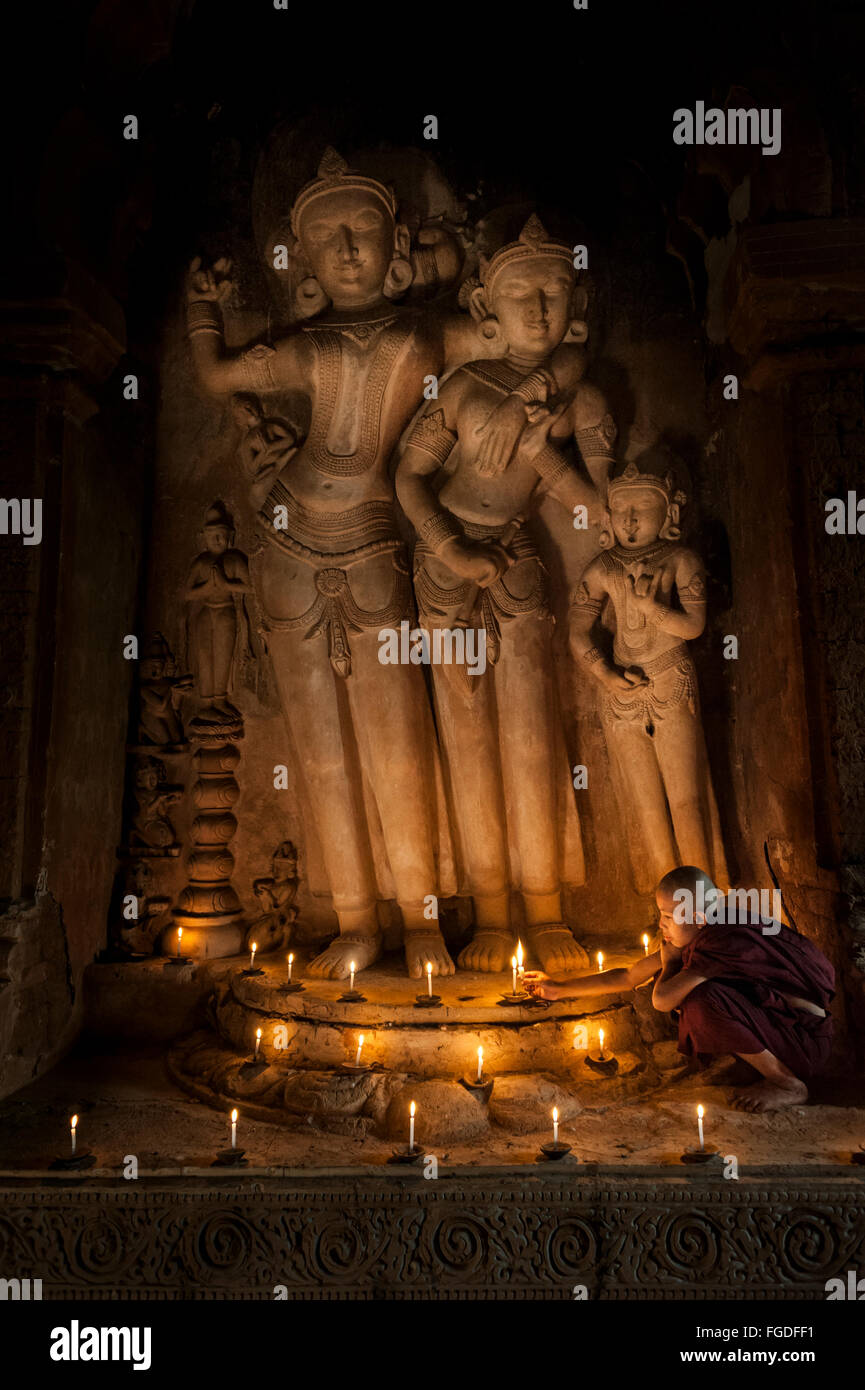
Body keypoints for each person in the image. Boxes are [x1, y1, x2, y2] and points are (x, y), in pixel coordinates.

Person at [524, 864, 835, 1112]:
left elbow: (661, 1000)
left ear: (699, 918)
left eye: (668, 916)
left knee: (701, 1001)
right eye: (661, 914)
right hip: (785, 1032)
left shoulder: (719, 944)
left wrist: (671, 965)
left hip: (803, 1043)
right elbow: (629, 976)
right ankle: (760, 1069)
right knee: (701, 995)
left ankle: (786, 1083)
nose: (661, 924)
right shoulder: (705, 932)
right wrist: (559, 989)